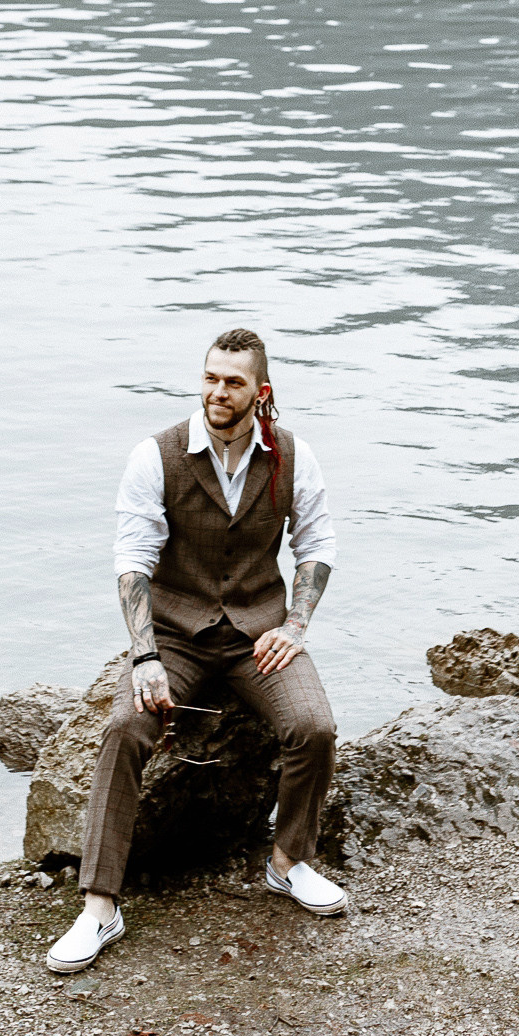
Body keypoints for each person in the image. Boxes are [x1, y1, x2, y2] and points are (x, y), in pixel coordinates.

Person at [46, 325, 345, 975]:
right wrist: (146, 656)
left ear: (259, 392)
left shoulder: (292, 455)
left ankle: (288, 863)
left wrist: (294, 624)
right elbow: (133, 563)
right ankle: (100, 906)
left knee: (314, 726)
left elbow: (316, 546)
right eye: (210, 377)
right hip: (175, 634)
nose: (218, 391)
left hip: (256, 637)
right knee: (126, 725)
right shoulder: (158, 455)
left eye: (233, 382)